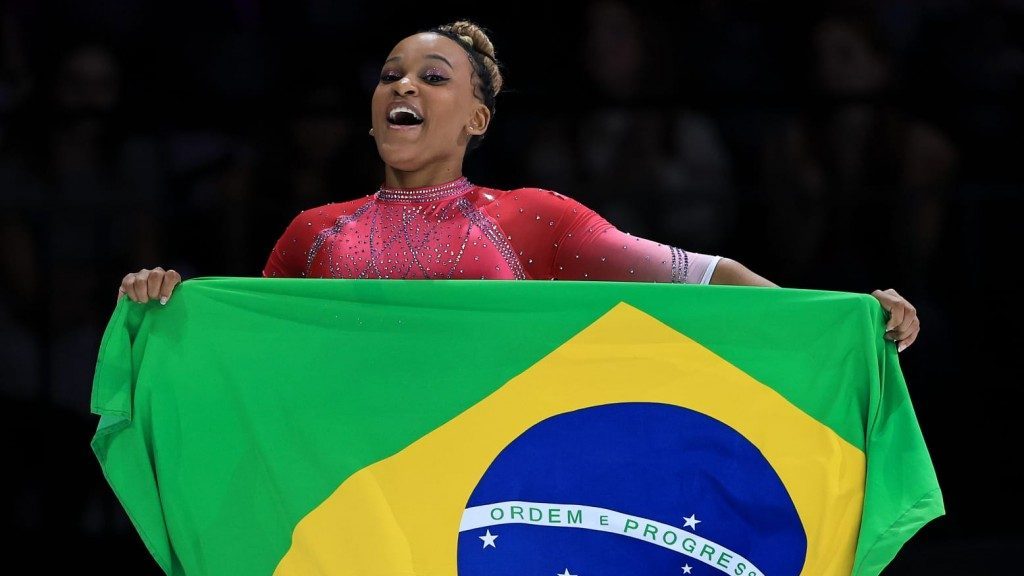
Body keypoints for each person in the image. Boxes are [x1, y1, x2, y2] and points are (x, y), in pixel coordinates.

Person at [117, 21, 920, 353]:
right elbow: (251, 359)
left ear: (477, 119)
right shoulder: (311, 232)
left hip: (485, 493)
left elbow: (714, 280)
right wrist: (166, 305)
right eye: (391, 74)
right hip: (357, 492)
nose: (405, 86)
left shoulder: (533, 218)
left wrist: (843, 319)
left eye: (435, 77)